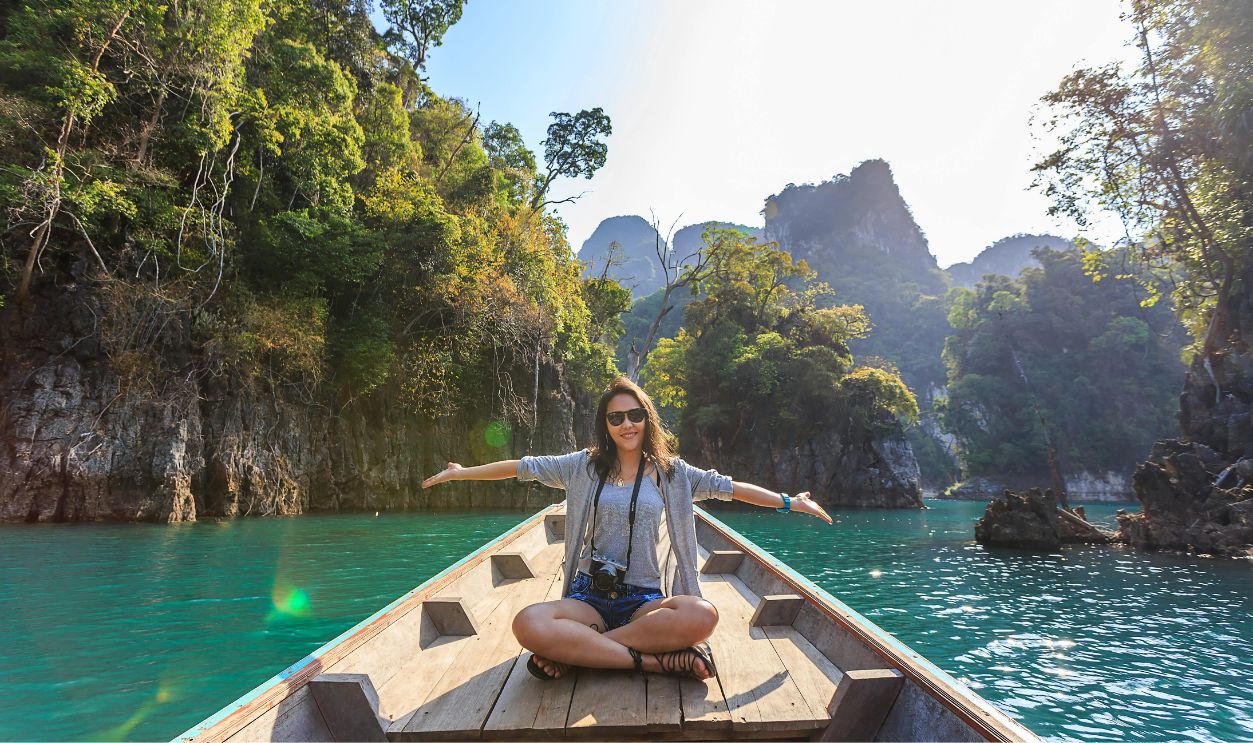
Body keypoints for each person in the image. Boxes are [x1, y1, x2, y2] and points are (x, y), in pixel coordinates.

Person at [421, 376, 832, 681]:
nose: (626, 424)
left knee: (701, 614)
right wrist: (461, 473)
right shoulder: (581, 466)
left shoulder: (674, 474)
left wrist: (789, 502)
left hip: (643, 601)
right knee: (527, 623)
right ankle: (652, 661)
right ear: (606, 424)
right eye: (615, 417)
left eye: (635, 415)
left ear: (646, 418)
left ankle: (579, 653)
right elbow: (520, 467)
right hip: (590, 598)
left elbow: (731, 488)